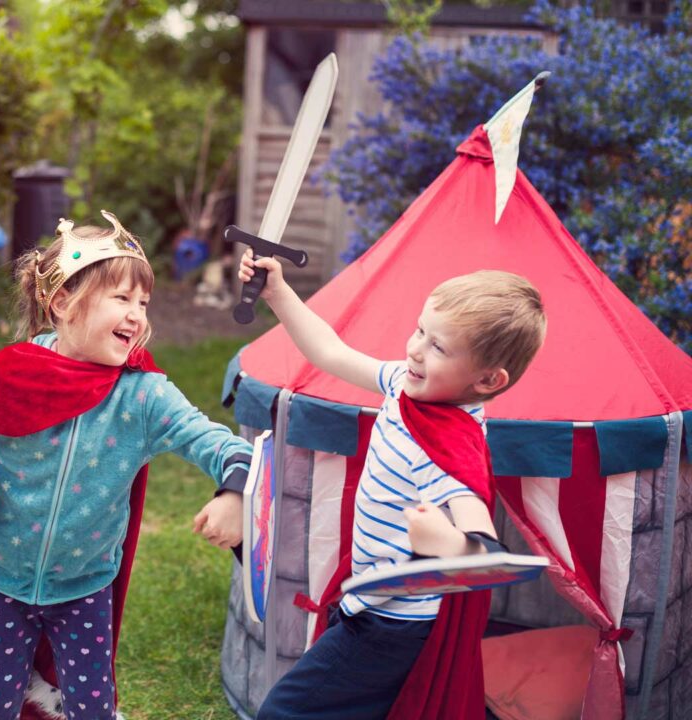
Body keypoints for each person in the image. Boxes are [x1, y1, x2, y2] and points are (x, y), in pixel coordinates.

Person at [0, 210, 250, 720]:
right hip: (0, 578)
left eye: (143, 302)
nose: (137, 315)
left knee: (93, 707)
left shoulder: (143, 397)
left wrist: (234, 492)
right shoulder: (11, 375)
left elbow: (218, 442)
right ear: (62, 303)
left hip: (83, 587)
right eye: (122, 298)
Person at [214, 250, 546, 720]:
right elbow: (329, 353)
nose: (415, 349)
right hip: (369, 607)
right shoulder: (405, 388)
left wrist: (450, 543)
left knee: (283, 713)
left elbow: (486, 554)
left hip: (390, 626)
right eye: (420, 331)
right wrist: (278, 293)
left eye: (439, 348)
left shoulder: (449, 445)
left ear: (489, 379)